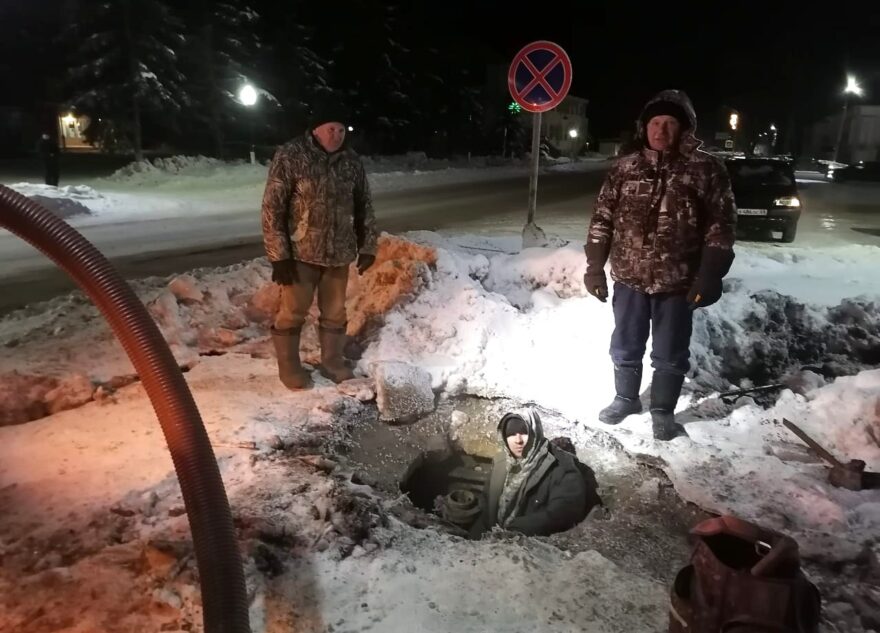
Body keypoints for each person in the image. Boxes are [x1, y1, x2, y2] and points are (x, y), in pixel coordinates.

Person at [584, 90, 736, 441]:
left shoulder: (706, 170)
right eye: (655, 123)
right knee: (625, 342)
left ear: (684, 128)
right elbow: (602, 218)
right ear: (644, 127)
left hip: (678, 281)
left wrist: (710, 274)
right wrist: (595, 266)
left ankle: (663, 411)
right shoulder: (625, 167)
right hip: (629, 277)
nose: (661, 131)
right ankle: (625, 398)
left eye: (670, 123)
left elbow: (721, 226)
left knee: (670, 350)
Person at [261, 98, 378, 389]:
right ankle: (289, 367)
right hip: (300, 254)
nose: (336, 135)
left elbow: (364, 204)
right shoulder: (291, 155)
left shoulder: (351, 161)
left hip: (338, 254)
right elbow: (272, 208)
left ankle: (332, 362)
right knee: (292, 312)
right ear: (315, 130)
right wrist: (279, 256)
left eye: (341, 130)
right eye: (330, 129)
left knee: (336, 313)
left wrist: (367, 246)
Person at [470, 409, 597, 538]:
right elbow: (486, 501)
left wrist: (517, 529)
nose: (518, 440)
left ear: (535, 433)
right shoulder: (501, 462)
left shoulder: (562, 468)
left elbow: (563, 513)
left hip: (529, 545)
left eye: (524, 433)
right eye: (511, 434)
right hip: (490, 538)